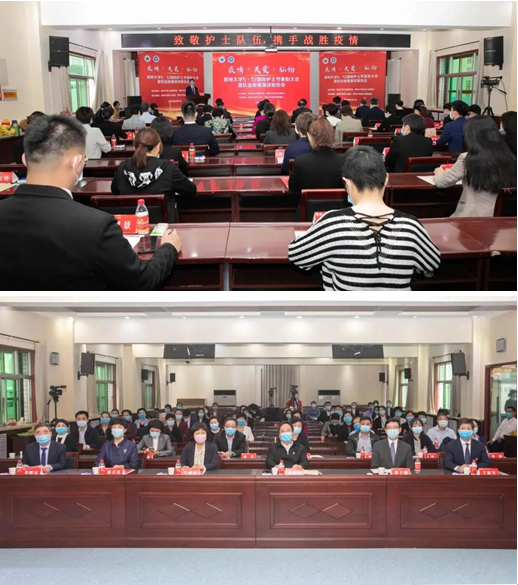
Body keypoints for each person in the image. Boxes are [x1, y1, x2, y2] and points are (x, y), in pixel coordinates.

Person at [0, 115, 181, 290]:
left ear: (24, 160)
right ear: (78, 163)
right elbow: (142, 280)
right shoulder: (96, 225)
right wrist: (169, 248)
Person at [289, 146, 441, 290]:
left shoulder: (332, 224)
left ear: (347, 183)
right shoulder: (411, 226)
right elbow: (431, 266)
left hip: (347, 309)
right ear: (386, 179)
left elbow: (297, 255)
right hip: (396, 310)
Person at [433, 115, 517, 217]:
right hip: (502, 217)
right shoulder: (510, 157)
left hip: (472, 217)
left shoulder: (468, 158)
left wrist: (439, 173)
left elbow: (442, 182)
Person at [111, 127, 196, 222]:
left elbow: (115, 191)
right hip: (163, 226)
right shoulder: (167, 167)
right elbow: (191, 190)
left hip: (131, 224)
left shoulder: (122, 167)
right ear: (158, 146)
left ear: (135, 147)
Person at [288, 117, 343, 193]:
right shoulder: (343, 161)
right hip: (337, 201)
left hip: (309, 201)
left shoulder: (300, 162)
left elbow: (293, 187)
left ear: (309, 137)